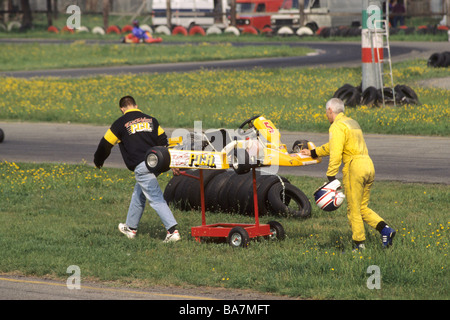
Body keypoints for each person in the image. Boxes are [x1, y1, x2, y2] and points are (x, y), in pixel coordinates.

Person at [300, 98, 396, 250]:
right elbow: (333, 146)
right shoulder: (352, 123)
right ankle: (386, 230)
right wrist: (313, 152)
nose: (326, 115)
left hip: (354, 168)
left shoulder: (336, 127)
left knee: (353, 210)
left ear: (330, 110)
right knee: (362, 207)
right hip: (368, 165)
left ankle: (359, 246)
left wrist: (331, 177)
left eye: (326, 112)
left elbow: (336, 152)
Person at [94, 95, 181, 243]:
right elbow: (164, 142)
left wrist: (98, 161)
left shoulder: (120, 123)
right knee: (139, 193)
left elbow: (105, 144)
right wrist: (172, 163)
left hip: (142, 166)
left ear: (122, 109)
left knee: (155, 197)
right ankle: (130, 228)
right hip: (157, 163)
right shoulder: (152, 120)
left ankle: (172, 231)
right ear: (136, 105)